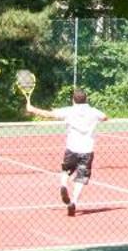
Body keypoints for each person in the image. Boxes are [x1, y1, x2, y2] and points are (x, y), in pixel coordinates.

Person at [25, 87, 108, 216]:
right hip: (87, 150)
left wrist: (32, 109)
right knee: (81, 177)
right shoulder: (93, 112)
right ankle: (73, 202)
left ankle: (64, 184)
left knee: (66, 171)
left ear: (73, 100)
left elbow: (49, 114)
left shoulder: (69, 111)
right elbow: (105, 117)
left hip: (72, 149)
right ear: (86, 99)